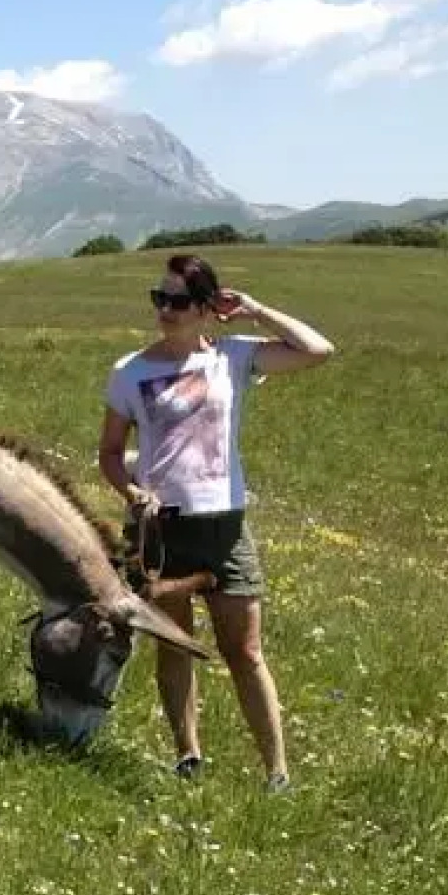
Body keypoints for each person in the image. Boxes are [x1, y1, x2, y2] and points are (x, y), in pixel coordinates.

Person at [97, 253, 334, 792]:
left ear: (207, 309)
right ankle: (188, 758)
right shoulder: (131, 371)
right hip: (161, 530)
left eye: (179, 301)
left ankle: (276, 773)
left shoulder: (233, 358)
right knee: (174, 643)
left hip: (225, 527)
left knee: (245, 652)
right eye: (160, 299)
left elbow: (318, 350)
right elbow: (110, 452)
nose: (166, 310)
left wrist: (253, 310)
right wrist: (131, 491)